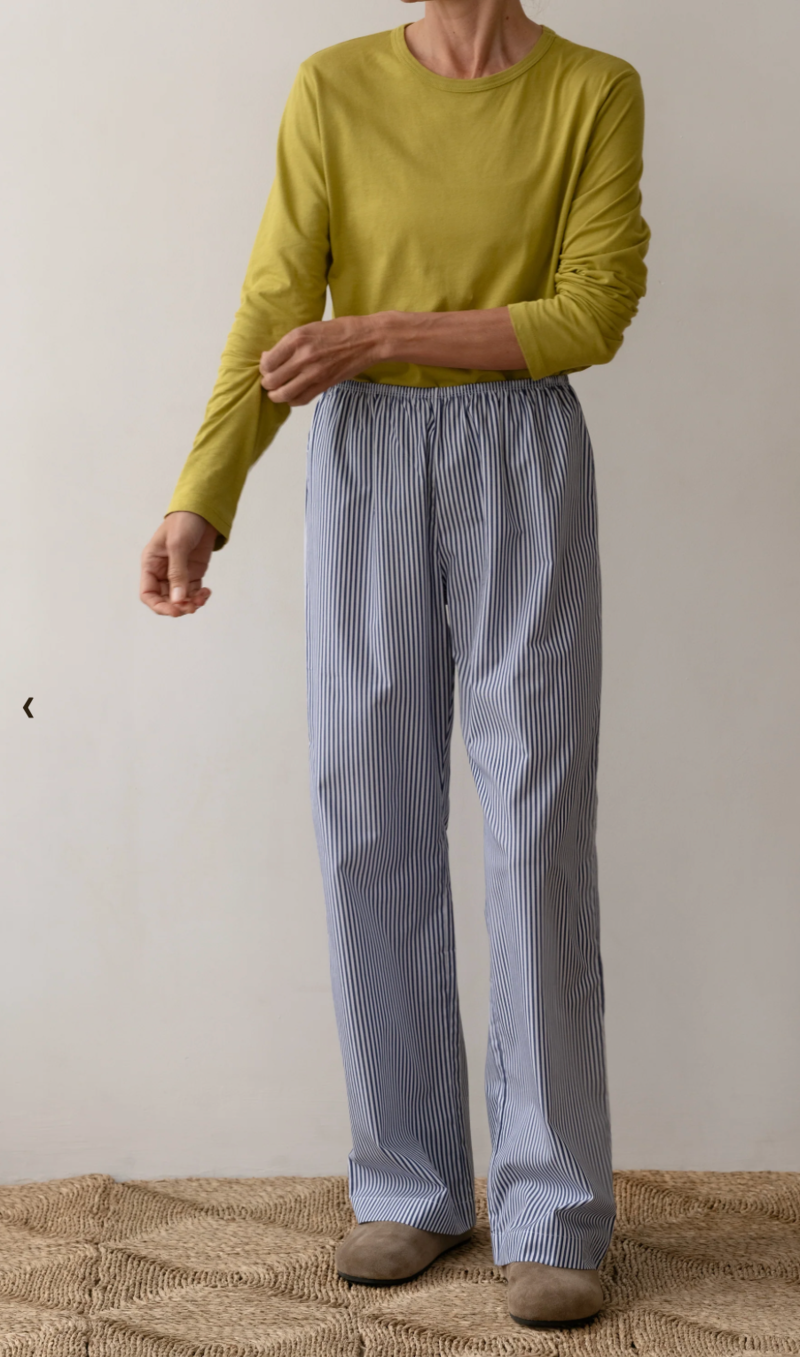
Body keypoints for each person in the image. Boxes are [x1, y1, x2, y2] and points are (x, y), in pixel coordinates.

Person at [139, 0, 650, 1330]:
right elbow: (274, 301)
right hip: (365, 460)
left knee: (536, 816)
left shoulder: (592, 90)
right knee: (366, 808)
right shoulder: (333, 87)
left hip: (521, 452)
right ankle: (411, 1183)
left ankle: (555, 1208)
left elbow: (591, 312)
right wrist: (203, 495)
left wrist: (375, 332)